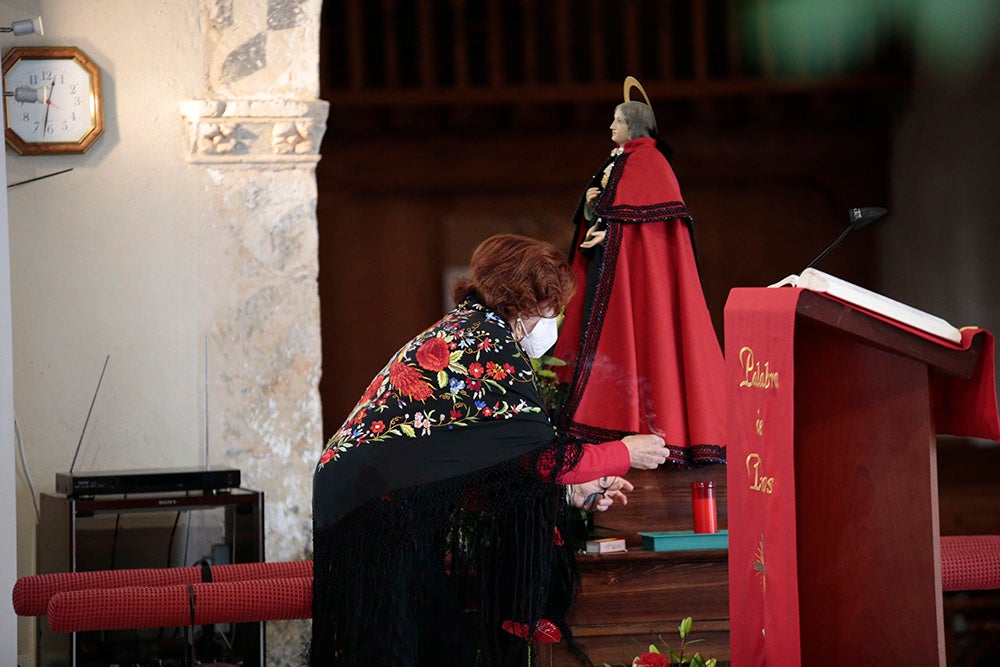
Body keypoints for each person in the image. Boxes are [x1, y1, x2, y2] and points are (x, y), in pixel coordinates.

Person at [311, 233, 669, 666]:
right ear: (525, 301)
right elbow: (545, 459)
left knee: (438, 642)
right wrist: (626, 452)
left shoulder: (470, 328)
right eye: (552, 307)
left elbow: (489, 463)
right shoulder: (490, 344)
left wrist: (571, 491)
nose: (554, 320)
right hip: (375, 507)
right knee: (399, 646)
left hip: (370, 497)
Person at [551, 84, 727, 467]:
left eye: (616, 120)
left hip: (632, 283)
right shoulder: (622, 160)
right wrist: (594, 213)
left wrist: (607, 226)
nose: (611, 127)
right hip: (612, 271)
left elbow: (633, 229)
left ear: (634, 126)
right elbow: (607, 211)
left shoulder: (649, 163)